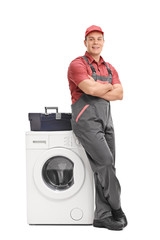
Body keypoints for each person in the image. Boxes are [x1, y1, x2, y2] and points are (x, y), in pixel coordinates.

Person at [67, 25, 127, 231]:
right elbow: (89, 88)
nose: (95, 42)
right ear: (85, 42)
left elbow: (119, 94)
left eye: (99, 39)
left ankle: (102, 216)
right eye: (91, 39)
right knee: (106, 163)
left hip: (106, 121)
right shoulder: (77, 64)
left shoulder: (109, 67)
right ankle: (117, 209)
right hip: (86, 121)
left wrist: (99, 88)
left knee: (105, 167)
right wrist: (105, 87)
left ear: (103, 42)